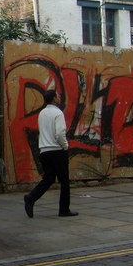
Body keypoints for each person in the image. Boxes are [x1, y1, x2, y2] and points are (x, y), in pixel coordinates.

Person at [24, 89, 78, 218]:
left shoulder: (42, 113)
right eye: (58, 96)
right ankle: (64, 209)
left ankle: (31, 198)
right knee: (64, 180)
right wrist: (65, 146)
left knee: (48, 179)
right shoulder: (58, 113)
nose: (60, 98)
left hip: (44, 150)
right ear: (54, 99)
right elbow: (59, 133)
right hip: (57, 151)